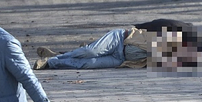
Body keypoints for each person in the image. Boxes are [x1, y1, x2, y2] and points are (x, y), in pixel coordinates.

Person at [33, 19, 193, 70]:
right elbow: (157, 23)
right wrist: (136, 27)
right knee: (91, 52)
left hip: (121, 59)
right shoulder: (173, 31)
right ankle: (52, 59)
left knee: (87, 64)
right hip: (120, 39)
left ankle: (52, 61)